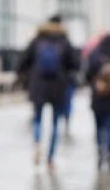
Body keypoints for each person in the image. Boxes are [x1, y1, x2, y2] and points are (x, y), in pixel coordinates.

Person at [16, 14, 78, 170]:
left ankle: (37, 143)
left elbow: (22, 62)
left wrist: (27, 77)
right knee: (55, 124)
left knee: (37, 119)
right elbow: (76, 64)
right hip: (58, 87)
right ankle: (50, 158)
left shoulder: (37, 40)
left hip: (38, 86)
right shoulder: (64, 41)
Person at [85, 33, 110, 172]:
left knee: (99, 127)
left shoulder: (95, 54)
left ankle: (100, 151)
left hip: (98, 98)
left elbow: (87, 75)